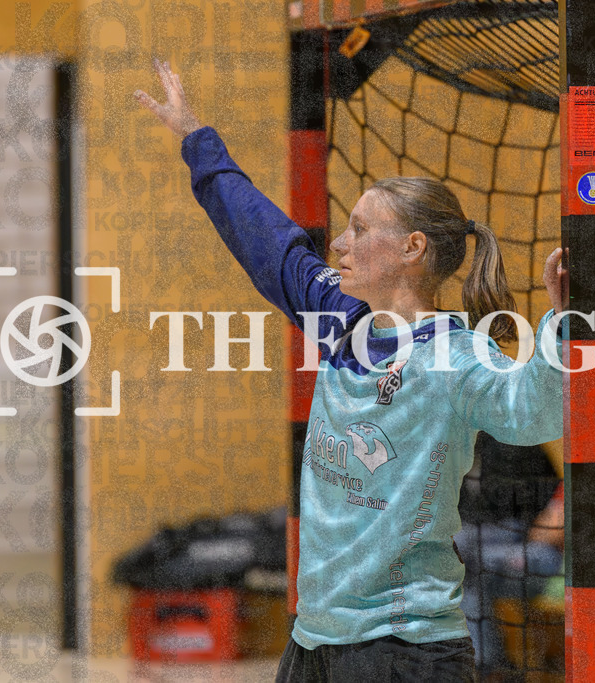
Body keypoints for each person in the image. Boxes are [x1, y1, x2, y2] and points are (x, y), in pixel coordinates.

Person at [135, 59, 566, 683]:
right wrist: (196, 139)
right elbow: (267, 240)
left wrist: (560, 324)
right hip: (315, 642)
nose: (338, 243)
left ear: (412, 248)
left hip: (406, 649)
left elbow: (535, 412)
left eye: (359, 230)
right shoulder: (339, 318)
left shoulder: (456, 356)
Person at [455, 435, 564, 679]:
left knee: (466, 567)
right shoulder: (472, 449)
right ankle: (486, 666)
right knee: (460, 564)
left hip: (540, 557)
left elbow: (548, 534)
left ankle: (485, 668)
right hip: (499, 550)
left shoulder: (523, 446)